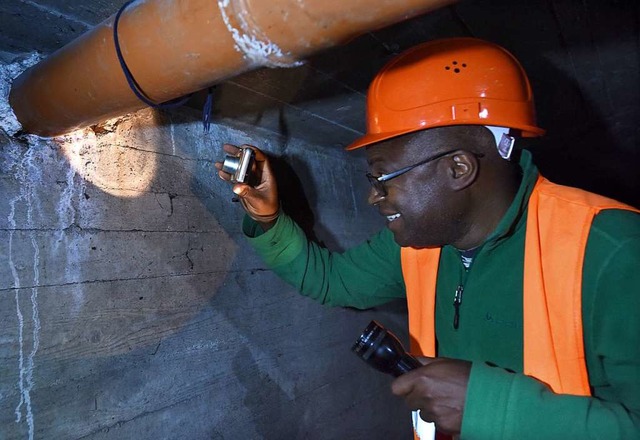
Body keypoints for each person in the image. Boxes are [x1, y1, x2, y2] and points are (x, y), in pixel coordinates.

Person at [215, 37, 640, 439]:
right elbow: (331, 280)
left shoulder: (612, 249)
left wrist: (487, 405)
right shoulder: (423, 246)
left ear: (458, 168)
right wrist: (268, 218)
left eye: (383, 177)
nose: (372, 195)